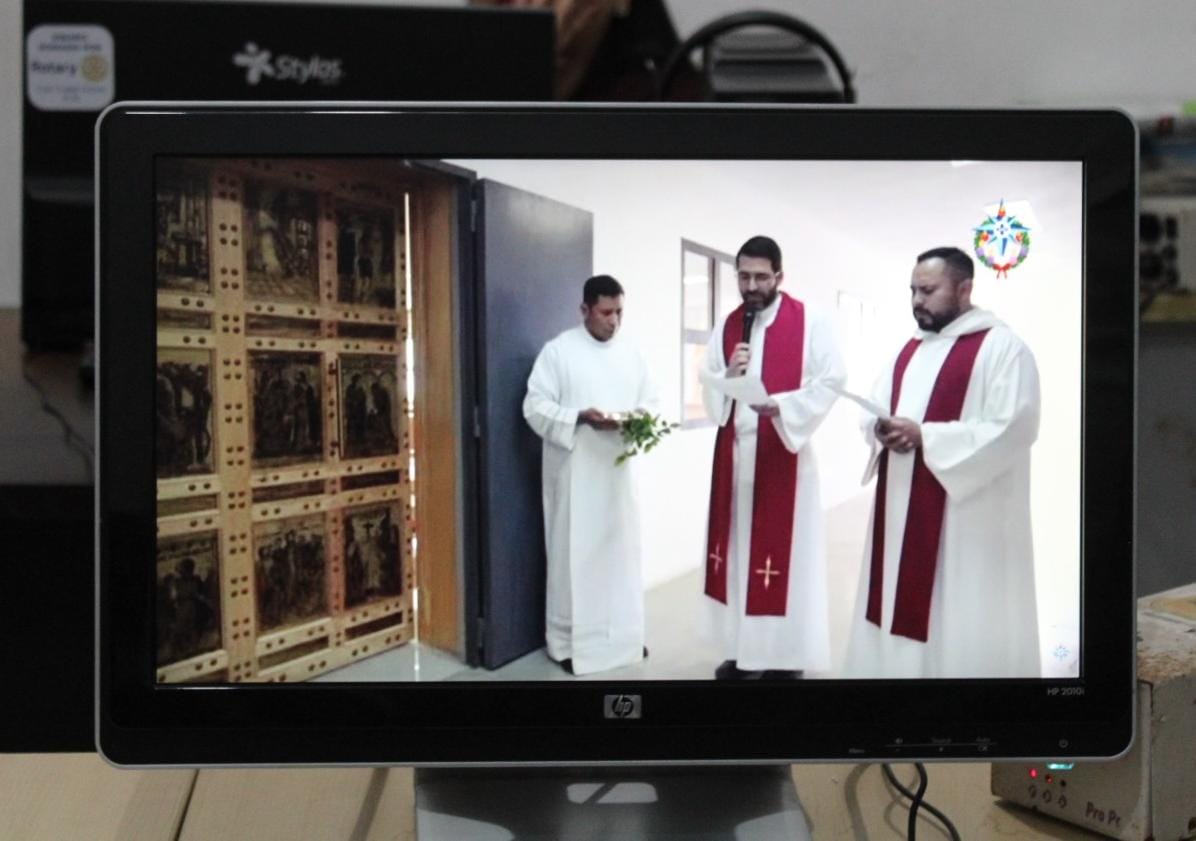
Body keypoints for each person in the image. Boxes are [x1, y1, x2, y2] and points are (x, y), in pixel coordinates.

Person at [843, 247, 1041, 678]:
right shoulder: (908, 350)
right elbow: (876, 405)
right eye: (913, 290)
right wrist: (880, 428)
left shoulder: (1004, 348)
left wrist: (926, 437)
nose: (917, 301)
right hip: (900, 509)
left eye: (928, 290)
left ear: (965, 289)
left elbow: (1015, 426)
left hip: (967, 521)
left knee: (956, 614)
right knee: (897, 597)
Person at [701, 235, 845, 679]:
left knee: (786, 563)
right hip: (736, 463)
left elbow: (833, 378)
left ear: (780, 276)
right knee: (738, 558)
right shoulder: (728, 326)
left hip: (785, 456)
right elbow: (709, 384)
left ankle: (784, 657)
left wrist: (783, 406)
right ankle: (742, 651)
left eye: (761, 277)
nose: (751, 286)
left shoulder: (810, 321)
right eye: (744, 276)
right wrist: (728, 374)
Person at [523, 274, 657, 675]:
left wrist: (633, 420)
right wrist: (579, 417)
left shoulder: (632, 354)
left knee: (620, 556)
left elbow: (651, 404)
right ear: (584, 310)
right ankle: (568, 643)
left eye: (619, 313)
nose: (614, 321)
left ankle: (624, 637)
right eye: (605, 313)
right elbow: (534, 406)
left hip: (617, 476)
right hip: (575, 476)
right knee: (574, 558)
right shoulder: (558, 352)